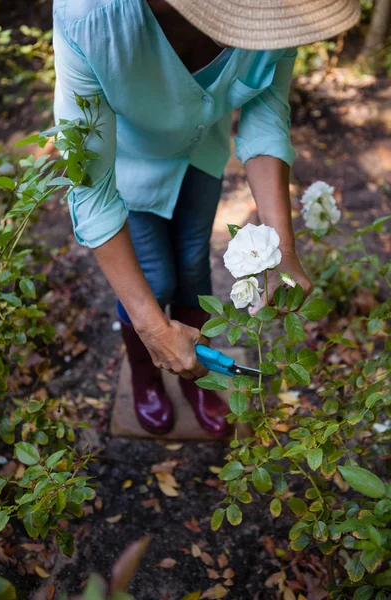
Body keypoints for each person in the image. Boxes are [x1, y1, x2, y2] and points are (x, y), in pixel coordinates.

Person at [52, 0, 360, 436]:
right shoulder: (89, 20)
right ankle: (147, 371)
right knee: (155, 280)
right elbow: (90, 186)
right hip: (128, 165)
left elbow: (266, 119)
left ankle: (198, 376)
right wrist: (152, 327)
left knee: (194, 262)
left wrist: (284, 251)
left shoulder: (281, 13)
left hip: (201, 153)